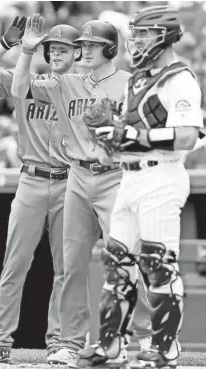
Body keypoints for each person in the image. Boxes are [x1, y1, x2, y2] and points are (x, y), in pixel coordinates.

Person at [11, 15, 152, 367]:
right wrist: (27, 52)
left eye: (90, 45)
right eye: (82, 45)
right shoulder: (67, 83)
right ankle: (70, 343)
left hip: (116, 176)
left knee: (126, 259)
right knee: (73, 266)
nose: (83, 50)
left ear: (109, 48)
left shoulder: (130, 83)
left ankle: (148, 336)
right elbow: (18, 90)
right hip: (77, 177)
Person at [75, 6, 203, 369]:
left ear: (164, 36)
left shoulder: (180, 79)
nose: (137, 42)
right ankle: (111, 347)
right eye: (136, 34)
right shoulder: (138, 77)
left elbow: (187, 136)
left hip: (162, 177)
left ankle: (165, 348)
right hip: (129, 177)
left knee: (158, 263)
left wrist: (129, 133)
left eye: (144, 35)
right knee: (116, 261)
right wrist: (110, 132)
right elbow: (131, 135)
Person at [0, 17, 79, 363]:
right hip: (31, 179)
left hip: (69, 181)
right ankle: (0, 342)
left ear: (77, 54)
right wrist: (10, 46)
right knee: (15, 264)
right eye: (54, 48)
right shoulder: (27, 80)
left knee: (66, 268)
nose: (58, 53)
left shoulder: (82, 89)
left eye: (65, 49)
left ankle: (59, 342)